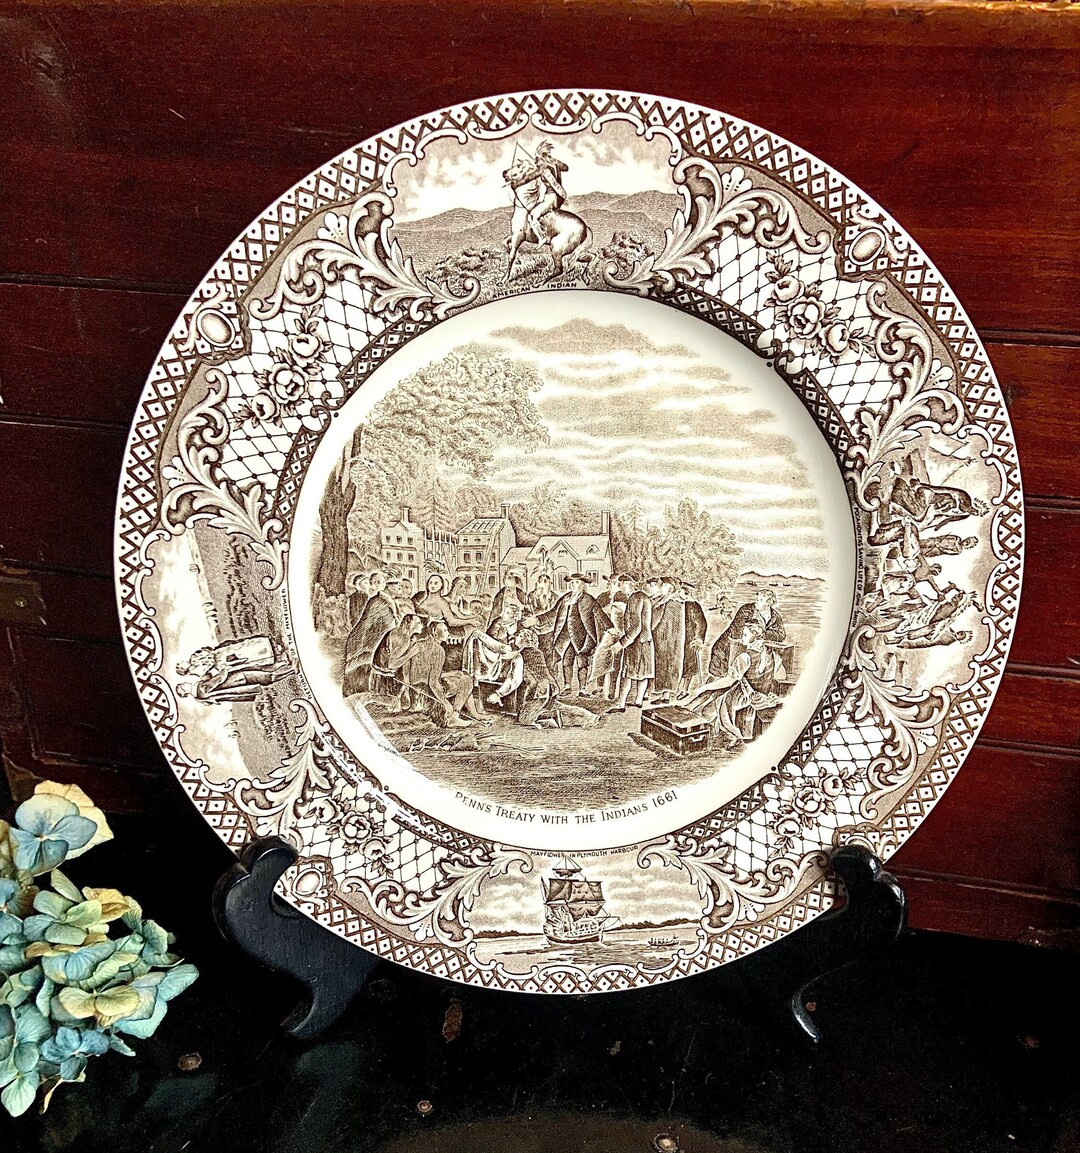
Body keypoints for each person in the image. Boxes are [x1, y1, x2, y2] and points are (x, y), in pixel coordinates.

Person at [532, 572, 612, 695]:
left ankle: (583, 689)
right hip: (566, 637)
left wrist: (610, 627)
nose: (573, 585)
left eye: (576, 582)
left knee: (582, 663)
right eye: (572, 582)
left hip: (583, 637)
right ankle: (567, 686)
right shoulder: (566, 598)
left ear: (583, 585)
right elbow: (553, 613)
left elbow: (600, 614)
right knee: (566, 661)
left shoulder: (588, 599)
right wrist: (537, 619)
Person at [403, 620, 472, 728]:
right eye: (444, 630)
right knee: (467, 680)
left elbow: (424, 673)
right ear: (435, 632)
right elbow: (433, 682)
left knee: (458, 678)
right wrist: (446, 703)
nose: (448, 633)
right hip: (427, 691)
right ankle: (453, 717)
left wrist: (450, 673)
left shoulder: (419, 644)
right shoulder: (438, 650)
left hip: (415, 688)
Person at [707, 588, 785, 680]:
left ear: (769, 603)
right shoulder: (746, 610)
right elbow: (736, 630)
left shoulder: (774, 616)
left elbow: (781, 635)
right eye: (757, 599)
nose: (756, 602)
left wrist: (763, 633)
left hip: (755, 648)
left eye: (760, 600)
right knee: (722, 673)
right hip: (729, 644)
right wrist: (754, 634)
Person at [342, 571, 399, 695]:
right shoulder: (373, 600)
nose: (377, 584)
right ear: (371, 584)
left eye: (380, 582)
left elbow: (392, 619)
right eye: (375, 582)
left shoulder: (388, 600)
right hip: (371, 637)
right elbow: (366, 620)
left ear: (384, 584)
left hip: (384, 636)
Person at [611, 574, 654, 711]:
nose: (621, 586)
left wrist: (622, 643)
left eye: (624, 583)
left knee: (628, 674)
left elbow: (636, 626)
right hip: (645, 641)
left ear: (631, 584)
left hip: (636, 643)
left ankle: (621, 704)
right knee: (643, 673)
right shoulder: (642, 597)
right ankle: (638, 700)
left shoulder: (635, 598)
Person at [369, 613, 423, 710]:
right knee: (394, 708)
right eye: (418, 623)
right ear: (409, 625)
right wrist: (411, 654)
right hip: (385, 680)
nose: (421, 626)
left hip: (377, 676)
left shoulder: (396, 632)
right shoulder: (404, 638)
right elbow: (391, 664)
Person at [648, 575, 685, 705]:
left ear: (670, 588)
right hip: (669, 639)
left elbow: (657, 620)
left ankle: (665, 695)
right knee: (667, 665)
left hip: (666, 639)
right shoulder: (673, 601)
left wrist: (649, 630)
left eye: (663, 585)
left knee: (667, 665)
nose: (661, 587)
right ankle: (665, 694)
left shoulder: (670, 602)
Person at [527, 140, 569, 245]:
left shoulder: (544, 168)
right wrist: (555, 161)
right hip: (553, 197)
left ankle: (542, 238)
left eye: (537, 159)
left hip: (552, 197)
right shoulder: (554, 164)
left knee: (532, 216)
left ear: (543, 157)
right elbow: (565, 168)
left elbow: (529, 177)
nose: (535, 162)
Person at [678, 582, 709, 697]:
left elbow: (701, 624)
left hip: (689, 640)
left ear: (686, 592)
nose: (678, 593)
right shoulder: (680, 604)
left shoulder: (693, 605)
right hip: (679, 639)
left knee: (689, 665)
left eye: (680, 591)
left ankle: (684, 690)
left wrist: (698, 639)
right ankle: (678, 688)